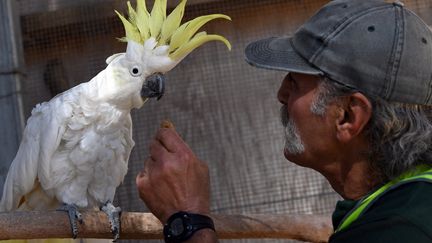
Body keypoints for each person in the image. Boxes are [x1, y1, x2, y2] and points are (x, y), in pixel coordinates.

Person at [136, 0, 432, 242]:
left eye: (295, 82)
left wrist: (188, 220)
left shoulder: (399, 231)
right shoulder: (406, 205)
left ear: (348, 116)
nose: (281, 94)